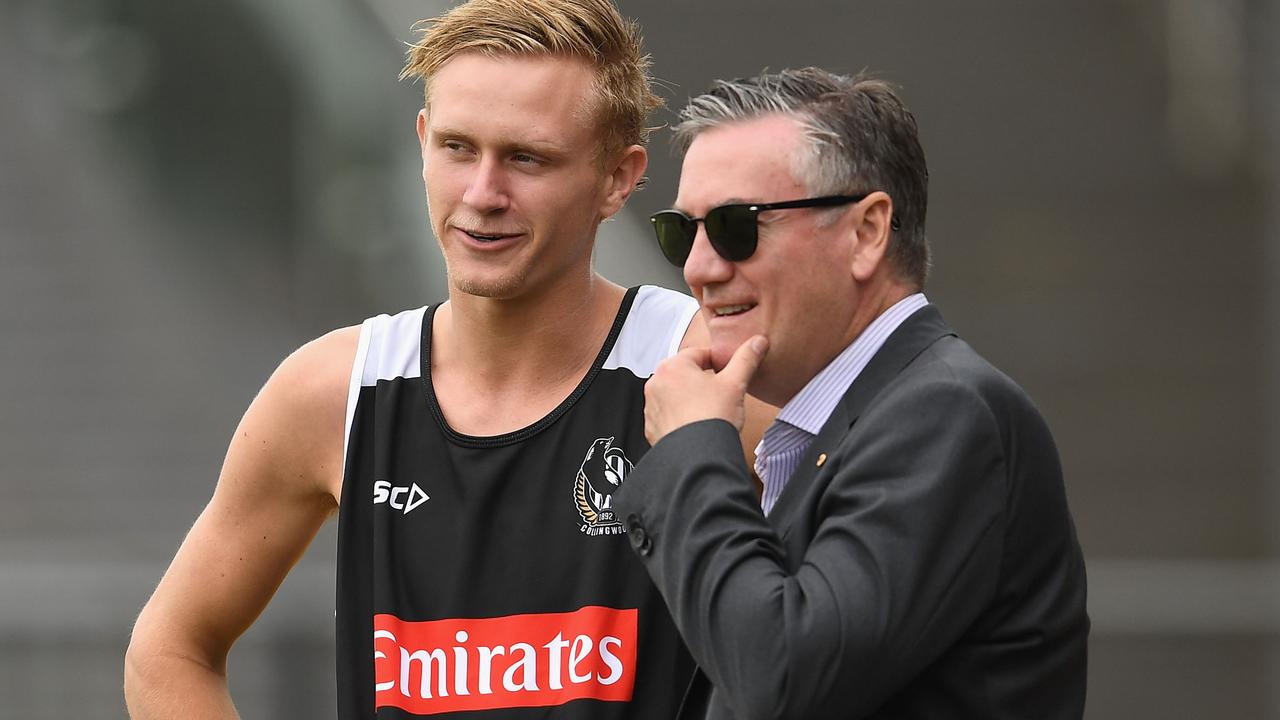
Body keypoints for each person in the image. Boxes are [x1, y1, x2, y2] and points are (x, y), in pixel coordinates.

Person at [124, 1, 770, 717]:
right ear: (423, 142)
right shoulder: (333, 392)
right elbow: (169, 650)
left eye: (526, 158)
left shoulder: (712, 376)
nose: (482, 194)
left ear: (618, 177)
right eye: (458, 148)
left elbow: (846, 643)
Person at [612, 68, 1090, 719]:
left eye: (734, 226)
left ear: (866, 233)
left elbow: (781, 679)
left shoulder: (942, 413)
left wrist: (693, 448)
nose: (697, 267)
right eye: (681, 231)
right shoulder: (847, 424)